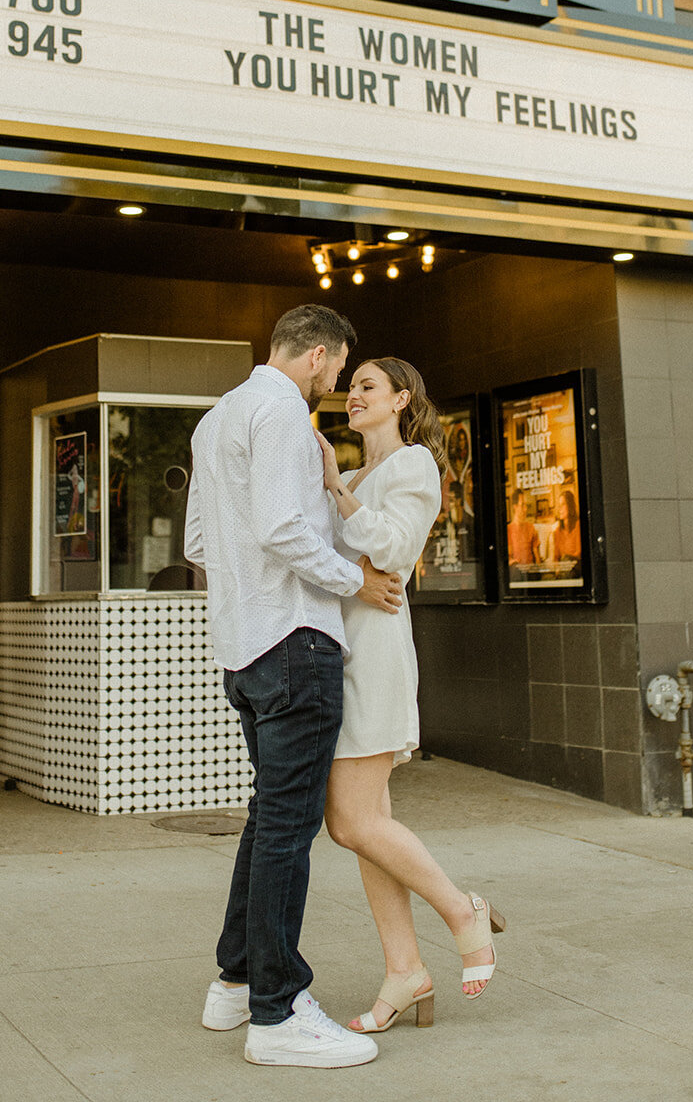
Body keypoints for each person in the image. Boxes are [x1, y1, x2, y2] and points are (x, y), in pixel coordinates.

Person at [184, 305, 404, 1070]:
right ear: (317, 354)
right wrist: (355, 581)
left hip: (243, 650)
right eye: (338, 369)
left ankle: (236, 981)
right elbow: (282, 526)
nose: (336, 382)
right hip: (296, 641)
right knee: (286, 829)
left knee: (266, 820)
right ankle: (277, 1014)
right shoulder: (279, 411)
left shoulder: (216, 420)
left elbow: (199, 542)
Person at [317, 358, 505, 1034]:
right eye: (351, 387)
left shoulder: (412, 466)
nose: (353, 397)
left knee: (350, 822)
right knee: (370, 829)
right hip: (336, 651)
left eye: (366, 386)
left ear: (401, 399)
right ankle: (405, 970)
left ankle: (461, 911)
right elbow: (332, 567)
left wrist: (339, 498)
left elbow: (393, 550)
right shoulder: (352, 474)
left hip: (374, 657)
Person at [507, 488, 541, 567]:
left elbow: (537, 558)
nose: (525, 509)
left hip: (530, 571)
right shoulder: (508, 529)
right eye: (522, 505)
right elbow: (508, 558)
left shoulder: (531, 527)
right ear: (515, 507)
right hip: (516, 570)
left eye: (526, 505)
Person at [551, 489, 581, 565]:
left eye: (563, 504)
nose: (559, 508)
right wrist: (557, 569)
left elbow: (578, 553)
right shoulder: (557, 532)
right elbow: (556, 557)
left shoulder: (578, 525)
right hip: (563, 569)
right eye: (559, 505)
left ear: (570, 505)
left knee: (566, 559)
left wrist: (565, 562)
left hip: (575, 564)